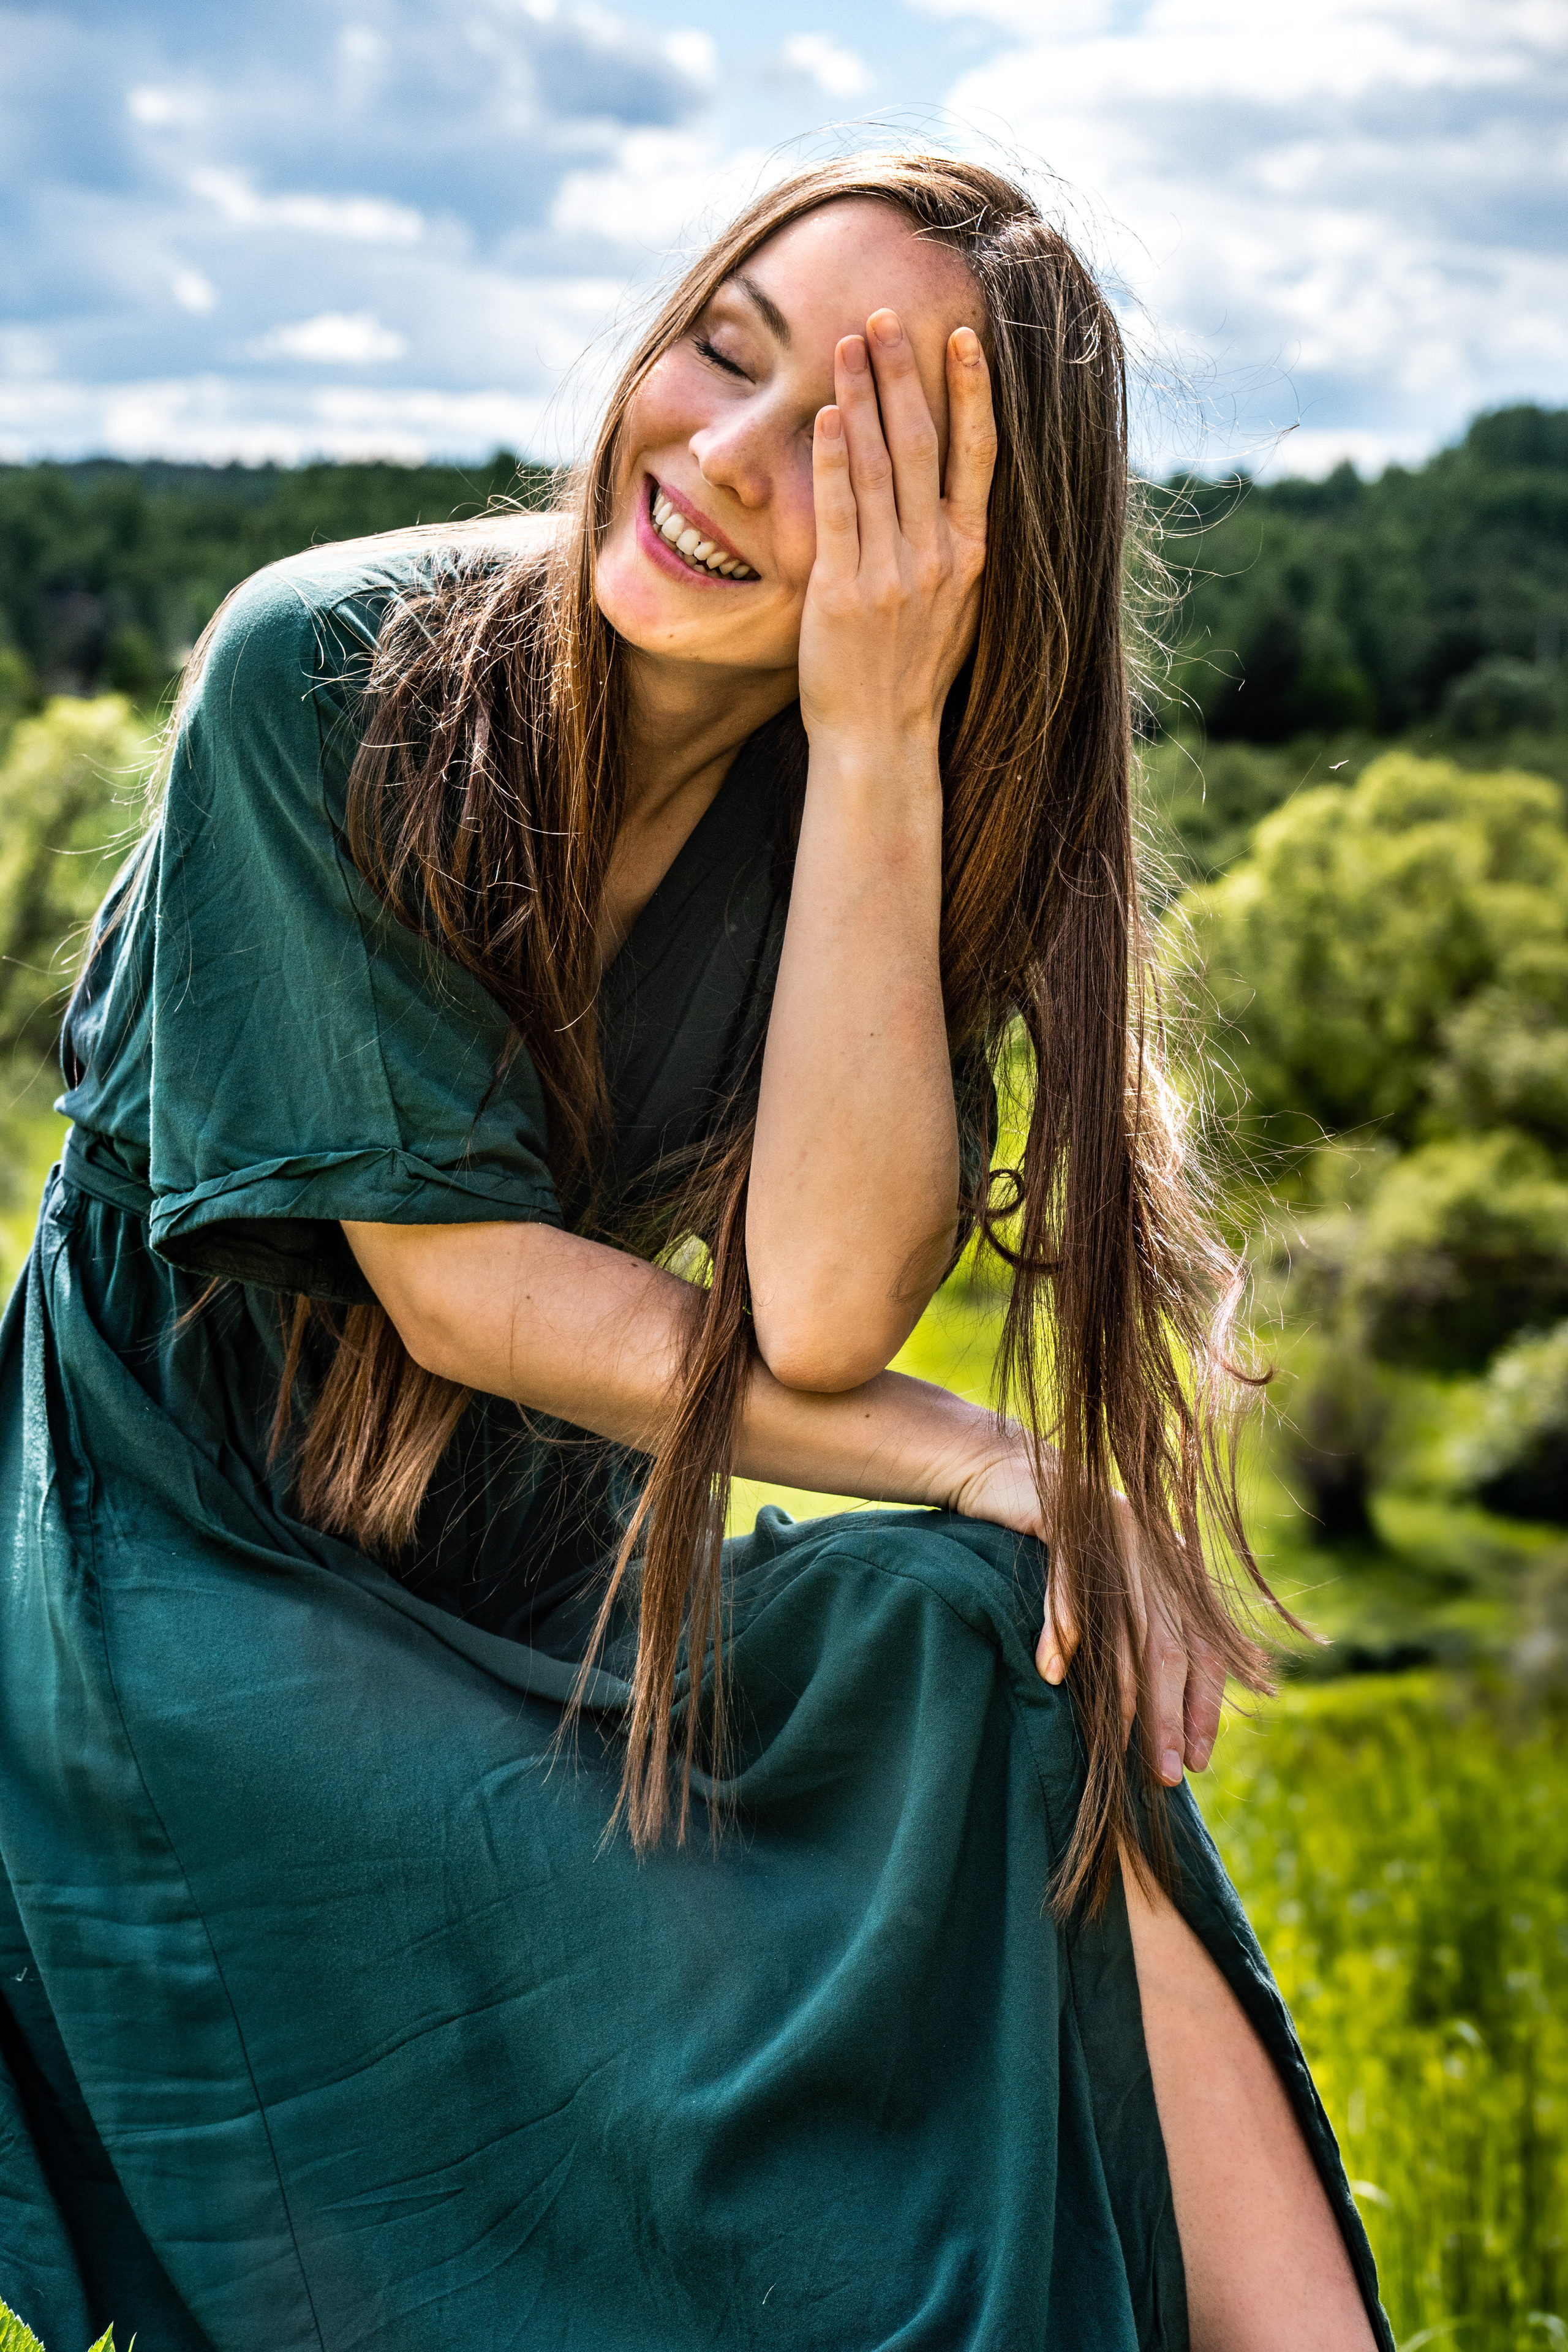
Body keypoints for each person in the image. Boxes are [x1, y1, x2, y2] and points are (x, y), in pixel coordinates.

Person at [0, 153, 1389, 2350]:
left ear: (962, 556)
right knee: (977, 1558)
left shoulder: (874, 811)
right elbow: (463, 1291)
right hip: (198, 1569)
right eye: (721, 356)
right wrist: (976, 1447)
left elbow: (824, 1301)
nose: (723, 464)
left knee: (995, 1653)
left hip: (522, 1549)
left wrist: (866, 737)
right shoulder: (330, 670)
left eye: (849, 450)